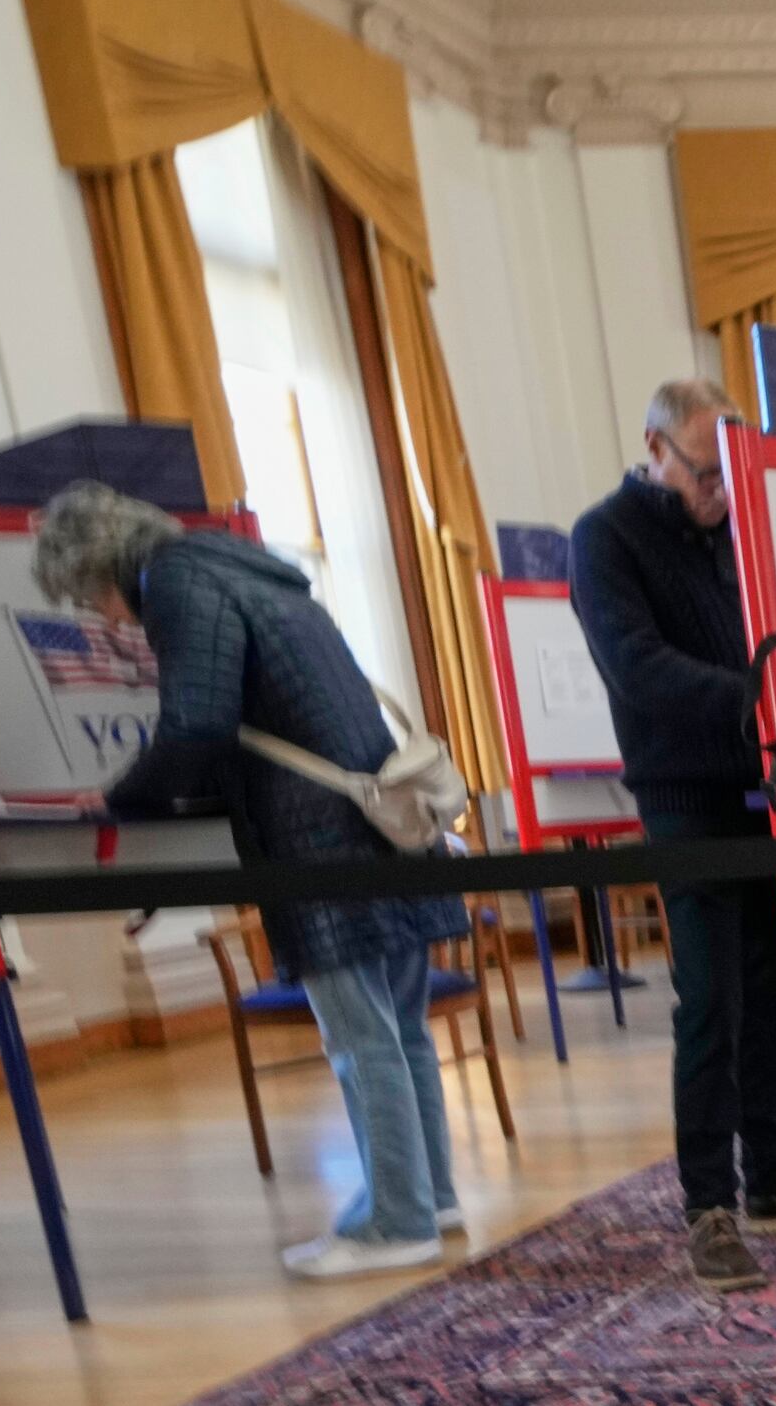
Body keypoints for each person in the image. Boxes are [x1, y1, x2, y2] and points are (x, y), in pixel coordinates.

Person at [31, 481, 471, 1280]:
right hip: (381, 820)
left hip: (317, 838)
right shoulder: (250, 569)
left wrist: (115, 794)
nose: (108, 622)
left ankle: (397, 1222)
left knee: (358, 1036)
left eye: (95, 603)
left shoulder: (176, 581)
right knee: (399, 1027)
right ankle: (431, 1197)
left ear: (100, 568)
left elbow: (196, 722)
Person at [571, 379, 776, 1295]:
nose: (719, 492)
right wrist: (755, 701)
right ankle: (708, 1205)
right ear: (655, 449)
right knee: (710, 1000)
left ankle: (772, 1174)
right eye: (708, 474)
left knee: (771, 988)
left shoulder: (735, 535)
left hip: (762, 788)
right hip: (683, 796)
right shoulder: (605, 538)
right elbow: (636, 668)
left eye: (730, 477)